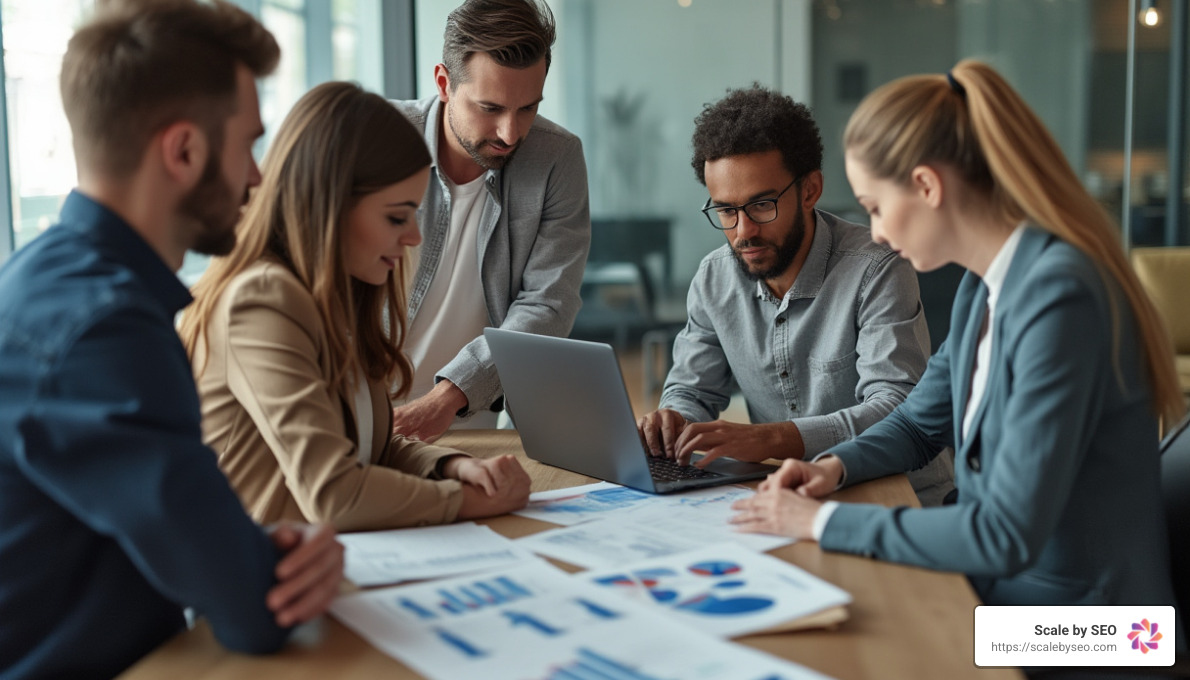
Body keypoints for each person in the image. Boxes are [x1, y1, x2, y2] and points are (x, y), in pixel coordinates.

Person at [732, 61, 1183, 617]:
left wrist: (821, 521)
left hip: (1097, 629)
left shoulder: (1060, 298)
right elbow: (920, 423)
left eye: (875, 207)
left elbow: (1005, 535)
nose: (874, 231)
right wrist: (835, 467)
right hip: (1016, 591)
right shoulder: (984, 284)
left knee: (880, 646)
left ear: (926, 185)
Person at [0, 2, 343, 678]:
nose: (256, 176)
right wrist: (289, 561)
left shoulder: (45, 278)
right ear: (183, 150)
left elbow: (187, 539)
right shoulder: (104, 330)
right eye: (249, 143)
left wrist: (251, 552)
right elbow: (253, 609)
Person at [179, 82, 531, 532]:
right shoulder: (261, 301)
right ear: (330, 206)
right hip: (260, 580)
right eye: (395, 216)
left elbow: (372, 446)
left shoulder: (334, 298)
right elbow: (334, 493)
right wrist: (464, 502)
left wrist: (452, 468)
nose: (413, 238)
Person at [636, 85, 954, 505]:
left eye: (762, 205)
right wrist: (673, 421)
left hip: (898, 496)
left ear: (809, 191)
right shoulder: (714, 278)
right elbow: (692, 391)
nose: (743, 231)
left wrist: (772, 439)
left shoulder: (877, 267)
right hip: (789, 495)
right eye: (726, 211)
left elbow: (894, 407)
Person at [390, 0, 591, 440]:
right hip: (354, 414)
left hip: (467, 424)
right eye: (490, 107)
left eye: (527, 108)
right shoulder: (380, 137)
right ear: (444, 82)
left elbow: (548, 304)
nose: (510, 133)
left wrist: (449, 396)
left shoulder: (557, 158)